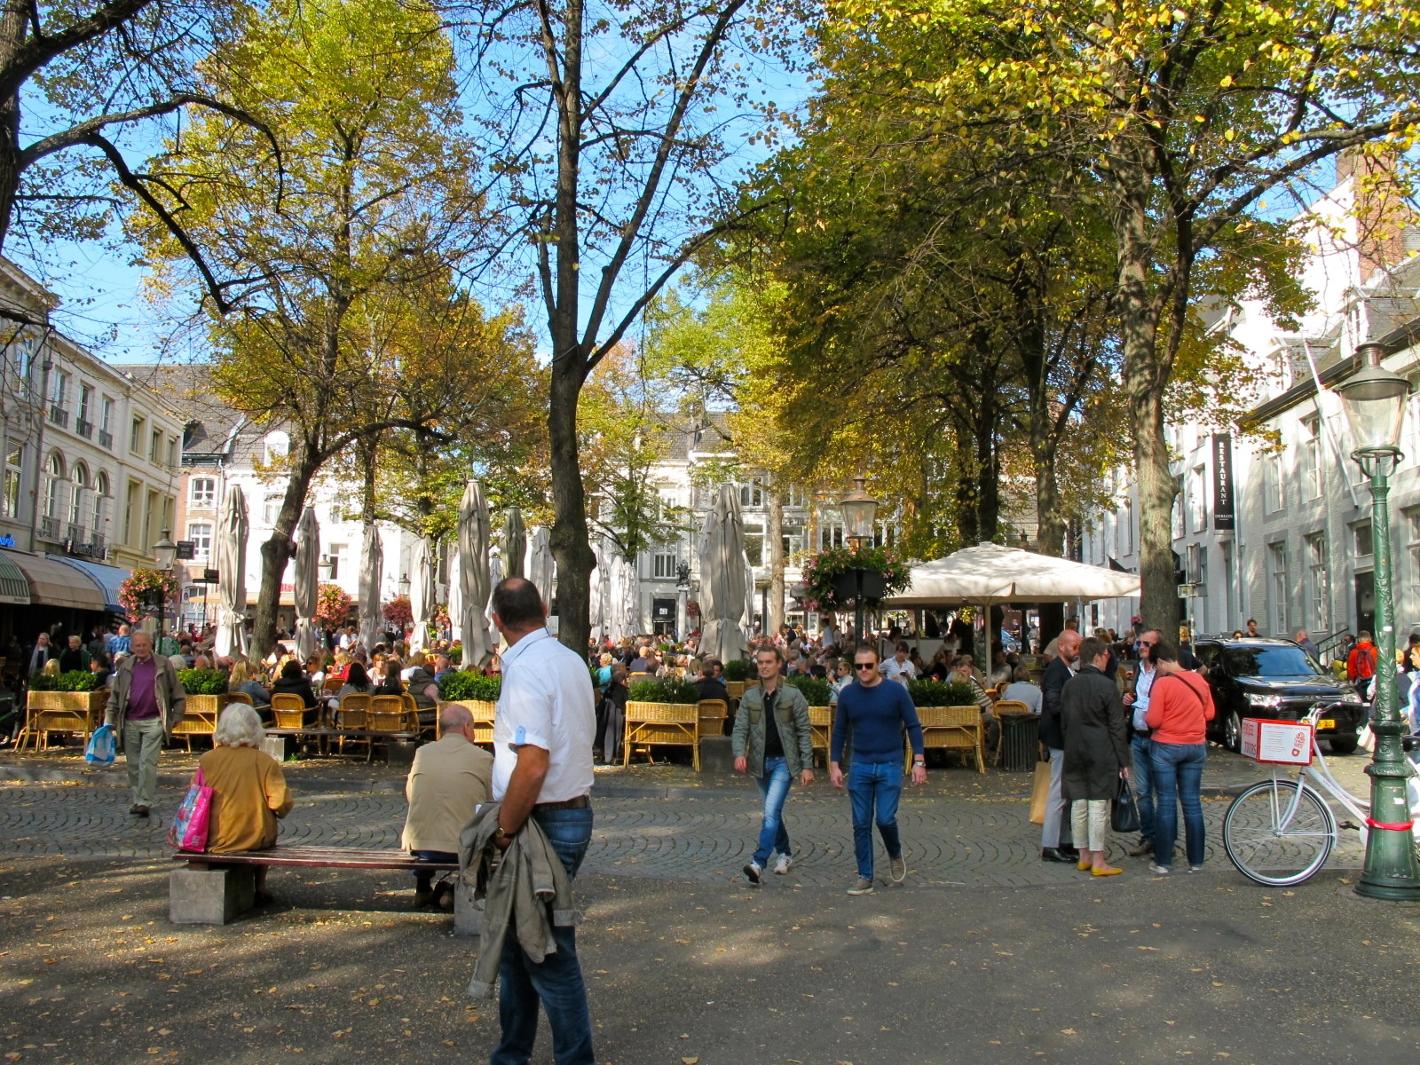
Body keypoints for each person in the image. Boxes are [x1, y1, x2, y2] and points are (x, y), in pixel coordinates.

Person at [486, 577, 596, 1065]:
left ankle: (574, 1058)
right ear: (546, 608)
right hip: (569, 812)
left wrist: (505, 830)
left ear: (497, 621)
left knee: (548, 953)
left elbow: (532, 764)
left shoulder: (528, 670)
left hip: (540, 823)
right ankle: (512, 1052)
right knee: (519, 948)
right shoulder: (569, 660)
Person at [830, 644, 924, 895]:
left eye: (868, 665)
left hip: (889, 764)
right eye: (858, 666)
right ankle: (865, 875)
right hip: (859, 764)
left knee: (884, 818)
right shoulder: (848, 694)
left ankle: (894, 852)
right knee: (860, 823)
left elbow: (913, 725)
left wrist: (919, 761)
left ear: (878, 664)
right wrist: (834, 763)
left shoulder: (895, 691)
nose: (863, 670)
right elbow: (839, 730)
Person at [733, 644, 814, 885]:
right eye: (760, 662)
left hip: (784, 763)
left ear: (779, 664)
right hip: (759, 764)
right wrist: (739, 752)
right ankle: (786, 853)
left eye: (769, 662)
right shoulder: (750, 697)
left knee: (769, 812)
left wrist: (807, 766)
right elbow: (740, 729)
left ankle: (758, 863)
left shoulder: (792, 694)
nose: (764, 666)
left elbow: (803, 732)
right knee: (773, 812)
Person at [402, 703, 493, 909]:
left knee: (430, 819)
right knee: (482, 839)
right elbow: (490, 803)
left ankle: (423, 886)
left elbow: (410, 795)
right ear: (466, 727)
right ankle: (453, 891)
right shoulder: (483, 758)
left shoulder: (422, 753)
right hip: (461, 847)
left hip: (420, 845)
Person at [199, 703, 293, 901]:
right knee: (264, 825)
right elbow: (279, 804)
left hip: (213, 837)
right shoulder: (265, 762)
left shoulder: (206, 760)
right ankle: (259, 885)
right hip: (253, 837)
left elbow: (195, 798)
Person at [1144, 639, 1216, 874]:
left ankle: (1163, 861)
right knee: (1192, 803)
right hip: (1194, 746)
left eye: (1157, 666)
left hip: (1166, 747)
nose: (1157, 671)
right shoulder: (1199, 681)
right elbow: (1210, 713)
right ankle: (1196, 861)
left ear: (1162, 661)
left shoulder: (1163, 685)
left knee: (1165, 802)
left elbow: (1153, 720)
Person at [1061, 637, 1131, 877]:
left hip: (1074, 749)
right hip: (1101, 751)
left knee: (1078, 803)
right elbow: (1116, 726)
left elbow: (1064, 720)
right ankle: (1099, 859)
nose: (1107, 661)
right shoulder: (1106, 685)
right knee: (1097, 805)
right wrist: (1124, 760)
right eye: (1106, 656)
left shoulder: (1070, 685)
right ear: (1099, 656)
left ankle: (1083, 856)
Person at [103, 631, 187, 817]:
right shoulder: (126, 667)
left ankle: (144, 802)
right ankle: (137, 797)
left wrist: (176, 717)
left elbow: (177, 693)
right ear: (132, 647)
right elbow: (115, 697)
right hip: (130, 721)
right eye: (137, 645)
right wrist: (109, 720)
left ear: (151, 645)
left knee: (147, 762)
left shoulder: (163, 664)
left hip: (154, 720)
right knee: (133, 764)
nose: (141, 648)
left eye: (144, 645)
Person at [1038, 629, 1081, 864]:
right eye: (1074, 646)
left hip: (1063, 738)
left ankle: (1063, 841)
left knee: (1066, 792)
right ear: (1061, 646)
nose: (1077, 650)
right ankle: (1051, 844)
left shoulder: (1065, 670)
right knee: (1058, 791)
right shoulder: (1056, 671)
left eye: (1079, 646)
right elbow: (1054, 704)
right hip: (1059, 738)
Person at [1120, 629, 1160, 859]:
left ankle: (1163, 839)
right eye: (1139, 643)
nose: (1141, 646)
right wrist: (1129, 700)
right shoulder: (1138, 670)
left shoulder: (1162, 672)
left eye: (1146, 643)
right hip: (1138, 736)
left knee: (1163, 792)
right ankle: (1148, 836)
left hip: (1157, 737)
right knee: (1143, 792)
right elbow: (1134, 698)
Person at [1347, 631, 1379, 701]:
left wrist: (1353, 680)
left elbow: (1350, 669)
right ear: (1370, 639)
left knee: (1363, 702)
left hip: (1361, 681)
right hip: (1374, 681)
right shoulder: (1375, 650)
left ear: (1358, 640)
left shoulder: (1354, 652)